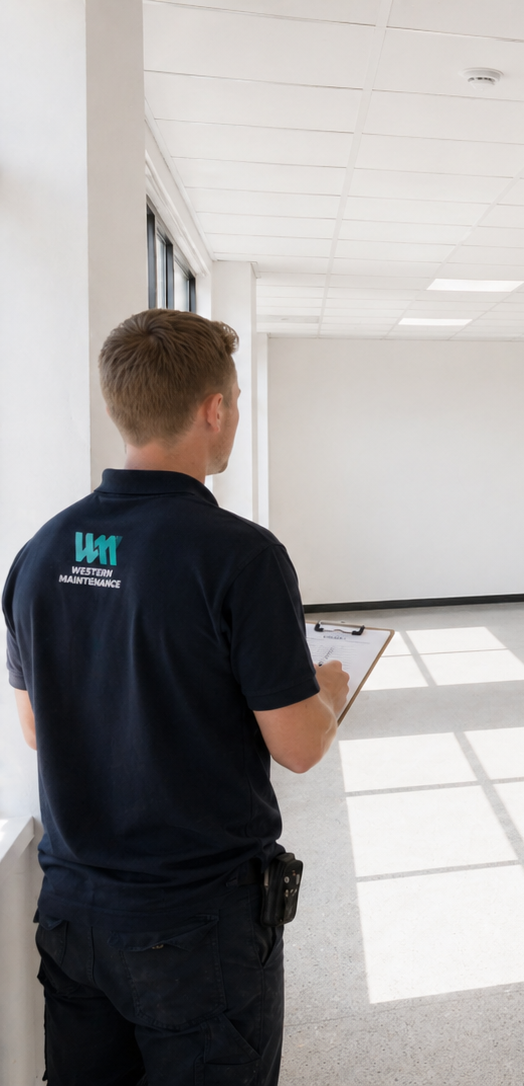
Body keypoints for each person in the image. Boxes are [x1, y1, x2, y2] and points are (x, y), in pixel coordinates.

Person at [3, 309, 349, 1085]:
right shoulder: (242, 557)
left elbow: (36, 726)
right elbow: (297, 747)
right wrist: (324, 688)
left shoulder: (41, 551)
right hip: (198, 926)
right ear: (213, 409)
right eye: (233, 401)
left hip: (73, 913)